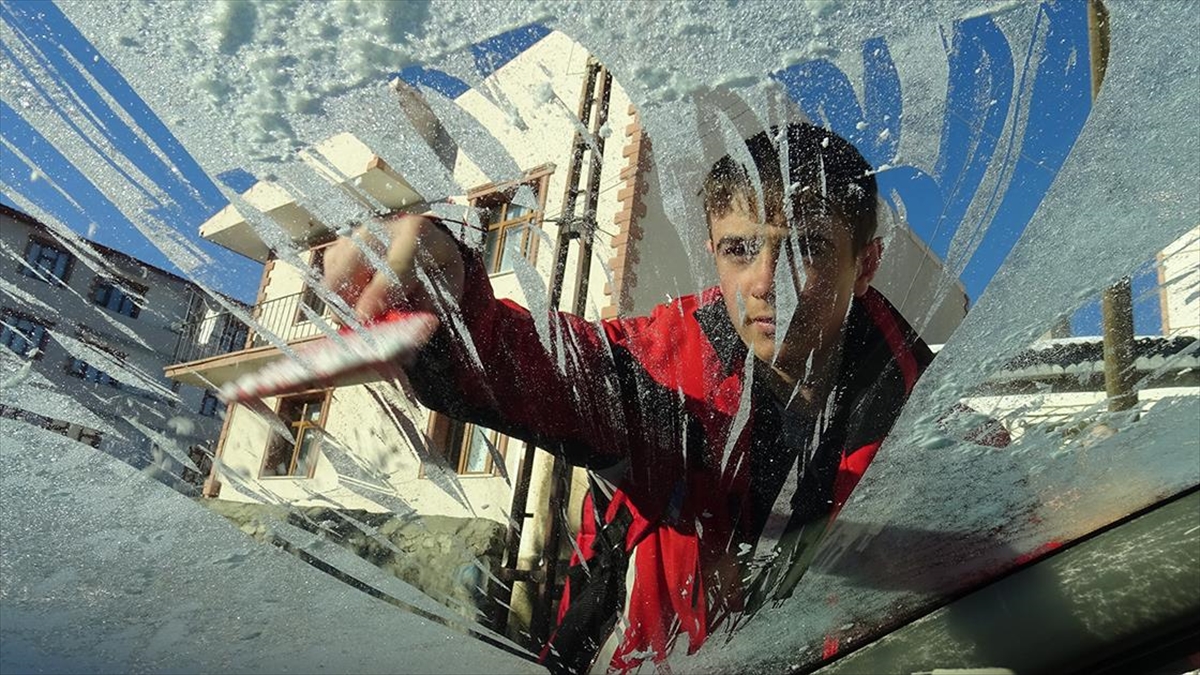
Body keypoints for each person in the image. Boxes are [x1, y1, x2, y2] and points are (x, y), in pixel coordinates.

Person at [324, 122, 934, 674]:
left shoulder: (930, 411)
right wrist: (448, 299)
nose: (766, 281)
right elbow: (554, 368)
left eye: (809, 247)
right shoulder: (668, 360)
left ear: (866, 264)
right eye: (740, 248)